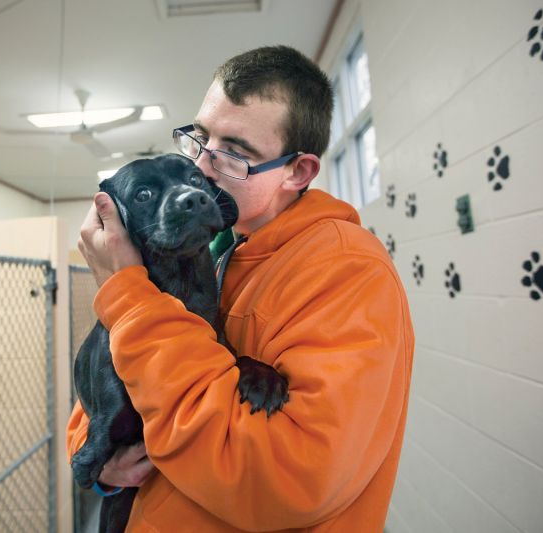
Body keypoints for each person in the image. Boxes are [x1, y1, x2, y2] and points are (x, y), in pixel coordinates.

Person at [68, 45, 415, 532]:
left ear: (298, 171)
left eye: (234, 152)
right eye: (200, 139)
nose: (204, 169)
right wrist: (99, 463)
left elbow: (289, 482)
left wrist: (127, 299)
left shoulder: (347, 270)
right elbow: (104, 383)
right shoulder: (217, 249)